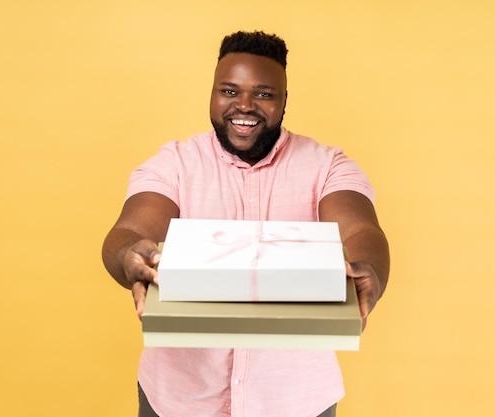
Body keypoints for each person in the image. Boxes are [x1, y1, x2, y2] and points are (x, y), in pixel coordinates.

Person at [102, 30, 389, 417]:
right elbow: (131, 231)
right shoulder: (175, 162)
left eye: (264, 94)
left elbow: (361, 231)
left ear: (284, 102)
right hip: (178, 400)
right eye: (230, 91)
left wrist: (369, 267)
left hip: (296, 402)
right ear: (213, 94)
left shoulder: (327, 165)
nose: (245, 106)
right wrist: (127, 255)